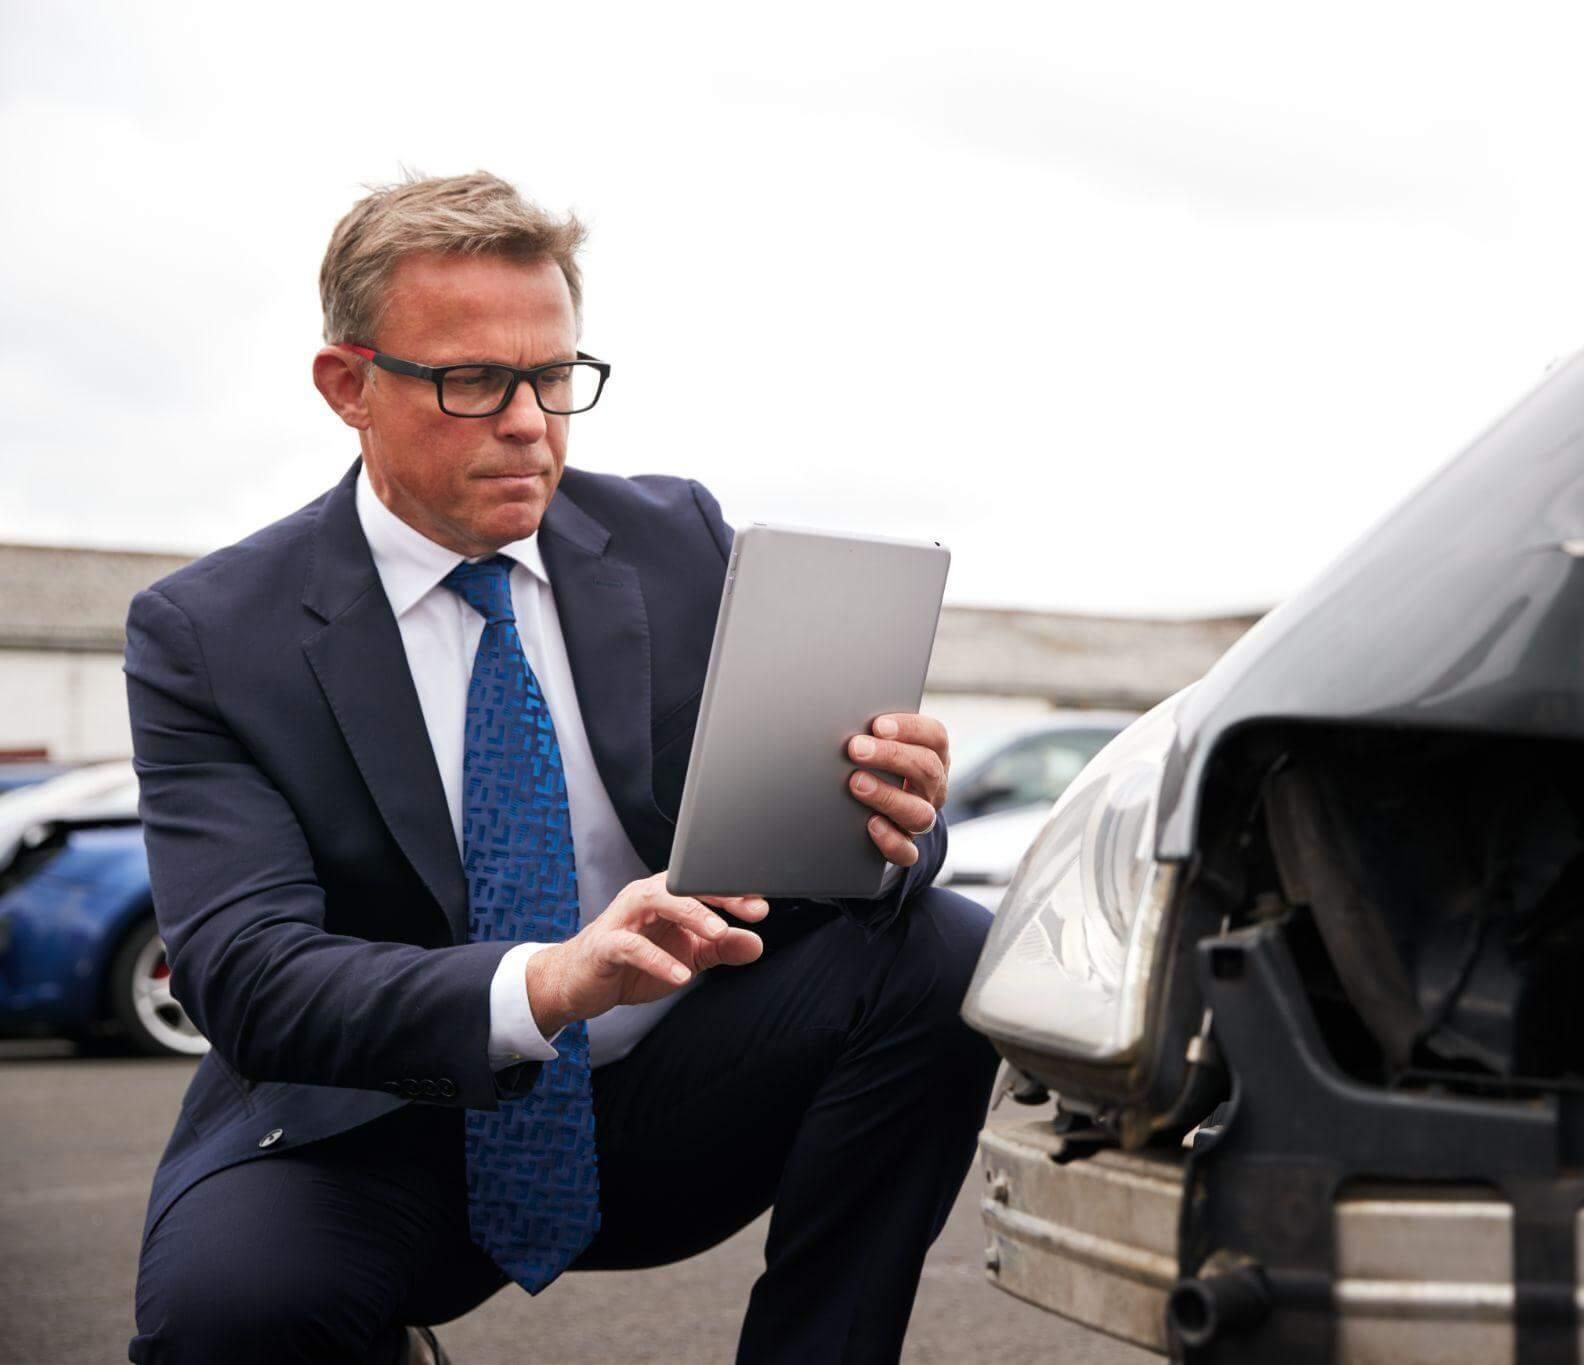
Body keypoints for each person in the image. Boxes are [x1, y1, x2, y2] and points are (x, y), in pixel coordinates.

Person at [124, 172, 998, 1365]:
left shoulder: (676, 541)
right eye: (473, 381)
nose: (530, 421)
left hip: (665, 1109)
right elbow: (251, 981)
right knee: (228, 1322)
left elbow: (831, 861)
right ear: (349, 387)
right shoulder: (210, 634)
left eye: (552, 376)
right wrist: (547, 983)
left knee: (942, 946)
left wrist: (890, 817)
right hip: (386, 1122)